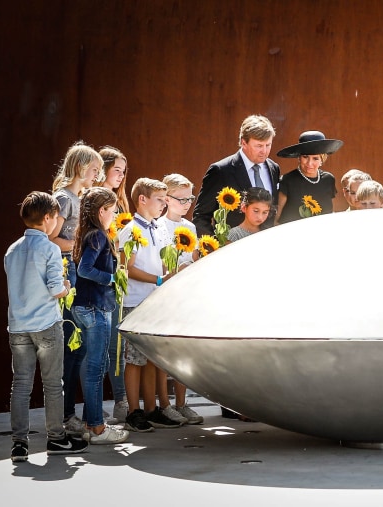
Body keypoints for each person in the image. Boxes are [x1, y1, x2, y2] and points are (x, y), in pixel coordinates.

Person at [5, 191, 89, 461]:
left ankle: (19, 444)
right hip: (45, 324)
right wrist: (66, 286)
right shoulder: (50, 248)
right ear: (48, 218)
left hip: (18, 326)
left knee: (21, 385)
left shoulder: (12, 250)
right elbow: (55, 289)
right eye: (55, 218)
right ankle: (56, 438)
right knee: (53, 384)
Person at [118, 177, 182, 432]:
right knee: (134, 360)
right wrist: (159, 278)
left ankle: (151, 409)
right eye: (159, 200)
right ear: (142, 199)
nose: (163, 205)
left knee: (152, 359)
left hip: (154, 302)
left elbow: (164, 260)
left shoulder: (159, 227)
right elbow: (127, 267)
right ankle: (133, 411)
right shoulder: (131, 229)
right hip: (135, 302)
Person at [49, 141, 102, 436]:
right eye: (94, 169)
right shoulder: (64, 198)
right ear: (81, 167)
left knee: (79, 346)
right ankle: (66, 414)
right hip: (68, 274)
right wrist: (83, 246)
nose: (97, 175)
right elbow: (51, 238)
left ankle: (72, 412)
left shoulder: (80, 197)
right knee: (72, 344)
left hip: (80, 275)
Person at [71, 187, 130, 444]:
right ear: (101, 211)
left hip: (88, 306)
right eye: (113, 210)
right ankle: (96, 428)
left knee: (96, 366)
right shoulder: (97, 236)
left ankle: (90, 423)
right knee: (96, 368)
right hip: (95, 308)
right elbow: (85, 269)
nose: (115, 215)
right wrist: (111, 279)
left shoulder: (90, 233)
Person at [157, 174, 204, 425]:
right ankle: (164, 405)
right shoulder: (159, 225)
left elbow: (193, 257)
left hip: (185, 295)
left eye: (190, 199)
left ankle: (182, 403)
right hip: (165, 293)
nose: (187, 203)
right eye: (181, 199)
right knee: (166, 353)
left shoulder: (191, 227)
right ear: (166, 199)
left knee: (184, 352)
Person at [193, 114, 280, 236]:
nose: (264, 151)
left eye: (268, 145)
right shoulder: (221, 170)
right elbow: (201, 216)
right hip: (232, 247)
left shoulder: (273, 168)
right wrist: (213, 248)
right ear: (244, 143)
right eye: (259, 146)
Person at [97, 146, 130, 424]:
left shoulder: (121, 204)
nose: (120, 175)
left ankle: (122, 401)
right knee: (93, 347)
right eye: (115, 169)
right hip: (96, 279)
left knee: (115, 346)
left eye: (123, 171)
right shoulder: (92, 201)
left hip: (117, 277)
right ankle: (92, 409)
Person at [274, 130, 343, 224]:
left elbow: (329, 212)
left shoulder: (328, 179)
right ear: (299, 157)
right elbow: (277, 217)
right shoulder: (287, 180)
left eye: (315, 158)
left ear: (322, 159)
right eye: (305, 157)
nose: (309, 163)